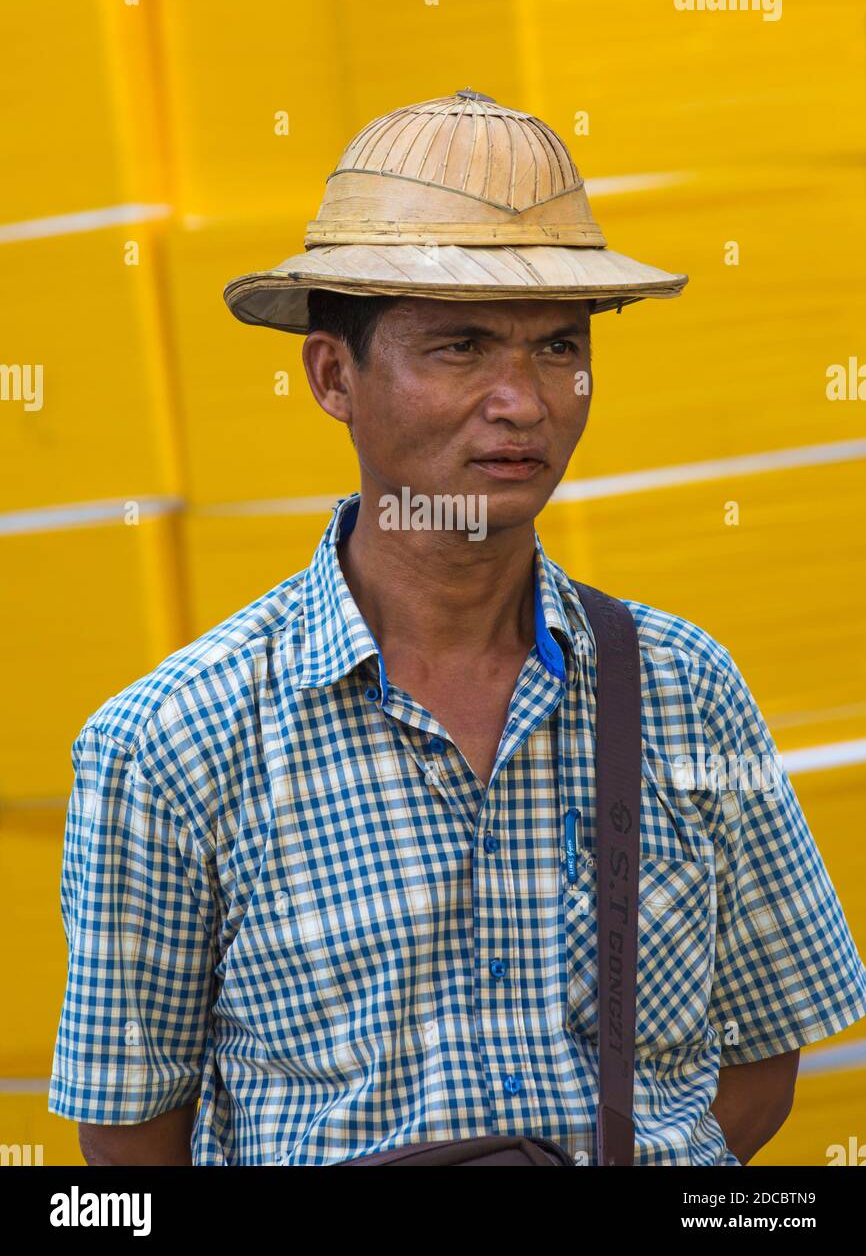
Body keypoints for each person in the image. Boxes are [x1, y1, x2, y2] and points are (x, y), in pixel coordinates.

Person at [48, 91, 866, 1166]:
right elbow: (126, 1144)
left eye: (557, 347)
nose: (521, 401)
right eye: (460, 346)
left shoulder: (682, 688)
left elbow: (761, 1059)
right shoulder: (171, 743)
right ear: (333, 376)